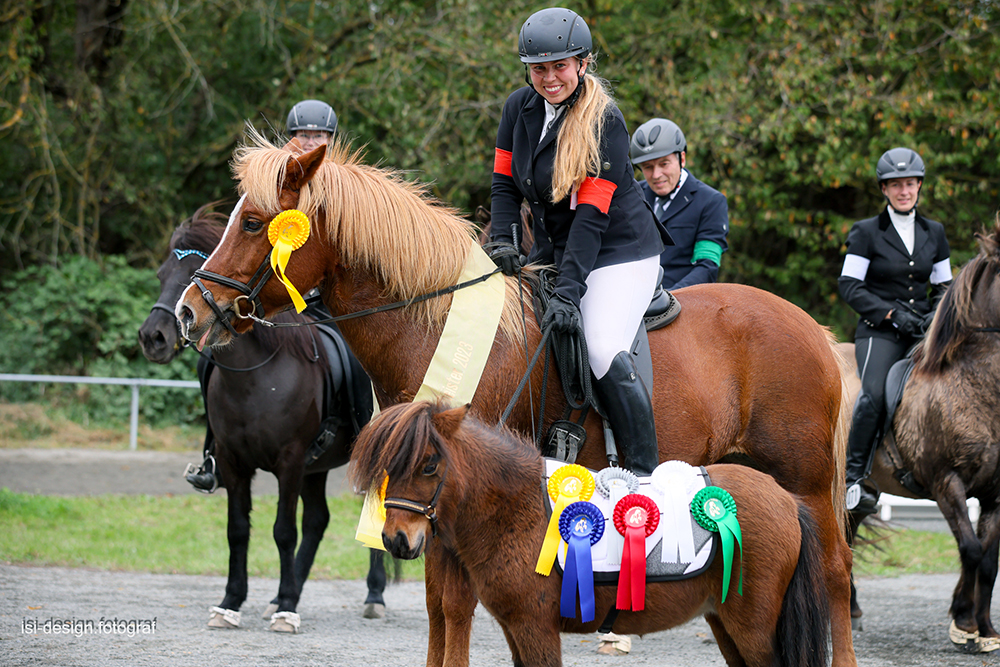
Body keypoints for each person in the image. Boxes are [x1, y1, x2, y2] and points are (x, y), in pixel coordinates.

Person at [488, 7, 672, 476]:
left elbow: (591, 218)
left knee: (600, 346)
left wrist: (569, 293)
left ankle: (644, 473)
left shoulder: (604, 120)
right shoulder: (517, 108)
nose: (549, 78)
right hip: (551, 251)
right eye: (539, 68)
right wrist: (506, 240)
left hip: (618, 253)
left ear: (583, 64)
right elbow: (504, 186)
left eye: (560, 66)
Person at [185, 99, 340, 492]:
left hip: (320, 298)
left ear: (330, 140)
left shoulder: (337, 185)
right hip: (266, 297)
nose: (310, 141)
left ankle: (356, 431)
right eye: (303, 134)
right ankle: (213, 451)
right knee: (212, 355)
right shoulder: (270, 182)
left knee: (349, 360)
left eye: (319, 135)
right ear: (290, 138)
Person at [839, 147, 953, 514]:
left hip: (924, 330)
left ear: (919, 185)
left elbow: (945, 288)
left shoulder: (934, 232)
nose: (904, 191)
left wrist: (933, 319)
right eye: (895, 185)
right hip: (881, 331)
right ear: (884, 190)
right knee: (872, 394)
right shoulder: (866, 232)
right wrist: (890, 314)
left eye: (909, 184)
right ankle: (854, 478)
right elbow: (849, 285)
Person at [629, 118, 729, 289]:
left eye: (664, 164)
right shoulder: (633, 196)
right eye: (647, 167)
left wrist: (669, 298)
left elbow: (707, 266)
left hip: (682, 301)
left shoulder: (711, 202)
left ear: (681, 158)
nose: (656, 175)